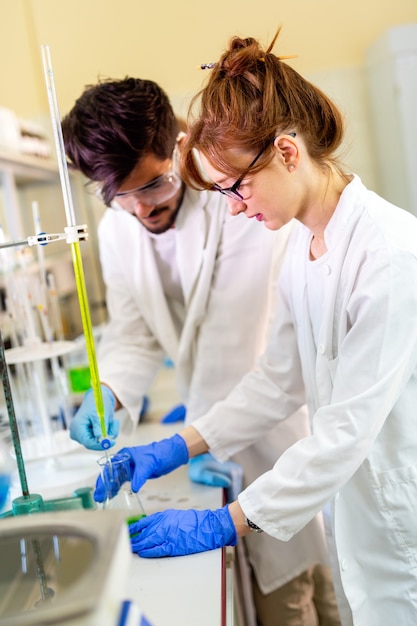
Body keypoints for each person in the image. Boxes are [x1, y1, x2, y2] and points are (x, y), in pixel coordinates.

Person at [97, 30, 417, 626]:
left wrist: (226, 521)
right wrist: (177, 447)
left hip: (402, 527)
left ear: (288, 152)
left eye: (237, 186)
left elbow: (346, 431)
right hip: (360, 517)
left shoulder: (390, 254)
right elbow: (277, 381)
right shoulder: (305, 244)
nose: (236, 208)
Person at [62, 78, 340, 626]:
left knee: (292, 592)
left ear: (181, 146)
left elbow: (231, 344)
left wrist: (185, 445)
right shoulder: (117, 224)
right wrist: (110, 393)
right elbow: (135, 330)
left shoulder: (234, 202)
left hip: (265, 428)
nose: (142, 209)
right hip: (209, 431)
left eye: (155, 186)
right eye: (120, 195)